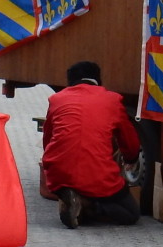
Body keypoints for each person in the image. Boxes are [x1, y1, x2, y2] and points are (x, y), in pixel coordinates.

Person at [41, 60, 142, 228]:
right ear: (98, 79)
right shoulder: (112, 100)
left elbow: (48, 138)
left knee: (80, 185)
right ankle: (87, 204)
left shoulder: (57, 99)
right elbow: (128, 138)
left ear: (70, 81)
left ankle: (75, 200)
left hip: (58, 174)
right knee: (131, 214)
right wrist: (131, 158)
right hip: (98, 176)